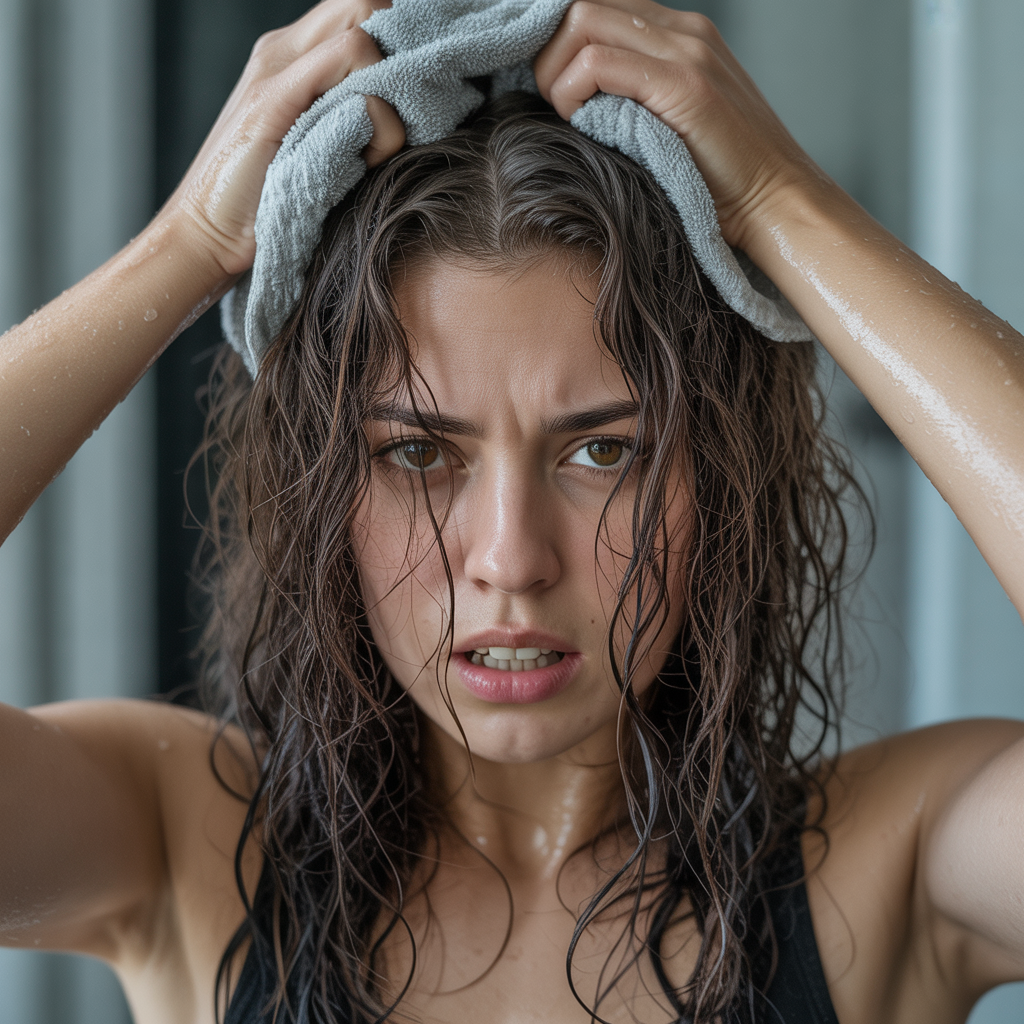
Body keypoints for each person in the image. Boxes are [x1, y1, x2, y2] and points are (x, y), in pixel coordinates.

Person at [1, 1, 1022, 1022]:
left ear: (718, 478)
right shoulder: (185, 846)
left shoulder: (895, 865)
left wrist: (776, 199)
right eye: (417, 453)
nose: (509, 558)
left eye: (602, 450)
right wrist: (187, 243)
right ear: (322, 490)